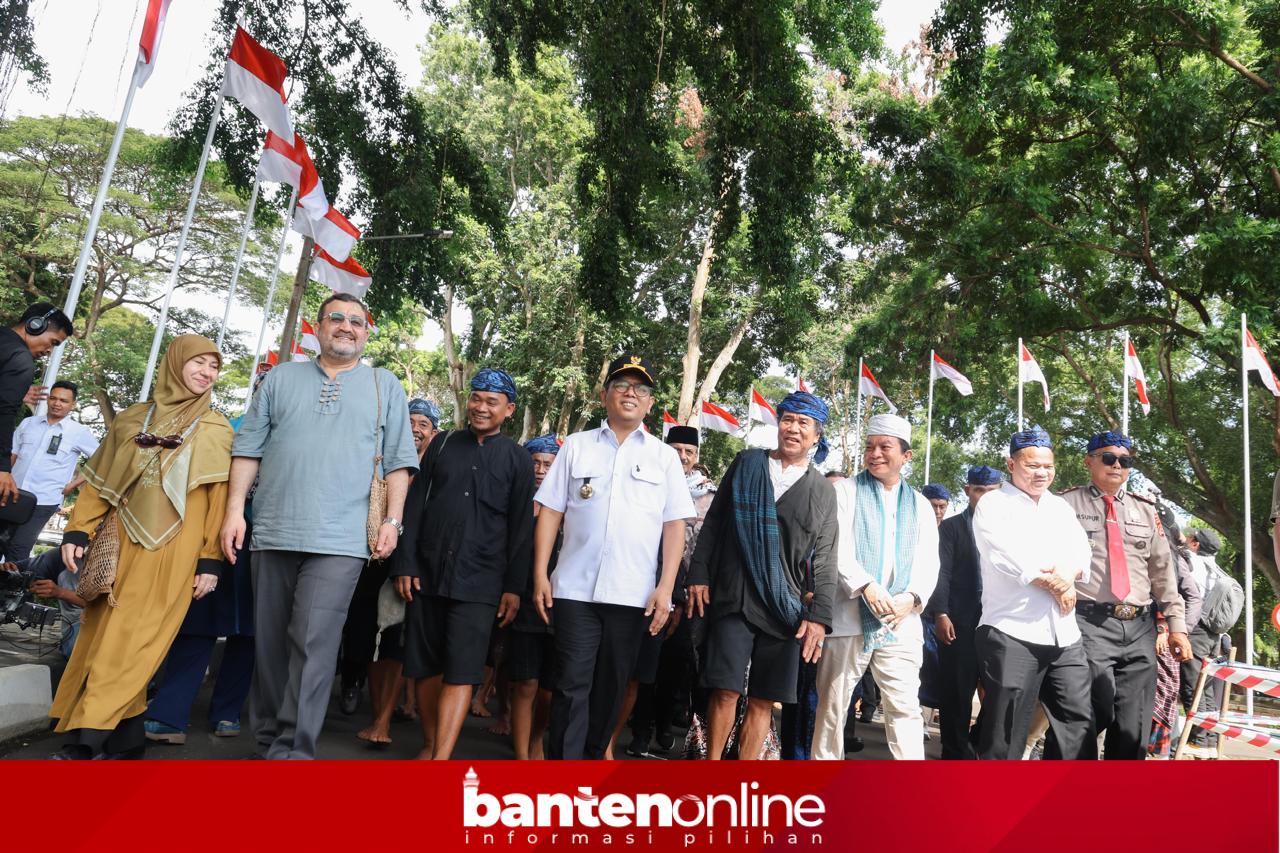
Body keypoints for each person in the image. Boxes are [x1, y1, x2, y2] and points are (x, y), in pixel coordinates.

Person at [224, 292, 417, 760]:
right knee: (269, 642)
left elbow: (399, 462)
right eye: (337, 318)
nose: (346, 326)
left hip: (342, 538)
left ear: (366, 332)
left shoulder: (384, 384)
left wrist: (393, 520)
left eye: (356, 321)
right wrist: (233, 512)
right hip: (272, 530)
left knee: (313, 641)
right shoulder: (281, 378)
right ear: (318, 326)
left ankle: (294, 750)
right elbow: (248, 449)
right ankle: (267, 739)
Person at [49, 335, 232, 759]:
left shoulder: (216, 429)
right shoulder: (133, 418)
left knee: (138, 640)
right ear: (175, 363)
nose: (207, 373)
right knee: (102, 635)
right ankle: (127, 739)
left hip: (176, 552)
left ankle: (88, 737)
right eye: (198, 362)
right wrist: (78, 530)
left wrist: (211, 559)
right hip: (120, 544)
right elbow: (100, 481)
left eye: (214, 366)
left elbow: (218, 501)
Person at [532, 355, 693, 760]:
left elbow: (674, 526)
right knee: (570, 684)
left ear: (650, 403)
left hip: (632, 594)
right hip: (574, 589)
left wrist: (666, 588)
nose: (630, 393)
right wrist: (540, 574)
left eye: (640, 388)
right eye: (621, 385)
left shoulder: (664, 457)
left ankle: (591, 761)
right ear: (605, 395)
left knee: (612, 687)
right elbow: (550, 512)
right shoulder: (576, 445)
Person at [392, 368, 534, 760]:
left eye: (492, 402)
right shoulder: (442, 445)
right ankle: (429, 743)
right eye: (476, 398)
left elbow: (521, 529)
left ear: (509, 409)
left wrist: (513, 588)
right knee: (423, 667)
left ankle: (441, 759)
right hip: (427, 574)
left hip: (481, 583)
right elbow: (415, 507)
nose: (481, 407)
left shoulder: (518, 460)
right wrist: (406, 563)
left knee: (463, 670)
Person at [686, 392, 835, 761]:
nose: (793, 428)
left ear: (816, 436)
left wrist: (819, 617)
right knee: (725, 689)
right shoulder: (747, 464)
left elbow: (826, 557)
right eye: (787, 420)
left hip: (785, 608)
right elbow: (713, 524)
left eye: (803, 423)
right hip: (734, 595)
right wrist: (699, 574)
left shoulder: (822, 491)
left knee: (763, 699)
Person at [812, 413, 940, 760]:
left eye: (885, 447)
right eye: (870, 447)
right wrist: (865, 585)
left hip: (900, 620)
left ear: (906, 456)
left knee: (904, 708)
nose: (875, 454)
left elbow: (929, 561)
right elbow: (834, 547)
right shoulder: (845, 491)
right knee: (832, 707)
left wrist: (912, 597)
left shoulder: (920, 504)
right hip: (849, 615)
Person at [1059, 431, 1191, 760]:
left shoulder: (1146, 510)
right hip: (1088, 623)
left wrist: (1177, 626)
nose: (1117, 465)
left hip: (1139, 628)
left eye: (1125, 460)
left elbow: (1162, 572)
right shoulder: (1065, 505)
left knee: (1133, 724)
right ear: (1089, 461)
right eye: (1108, 458)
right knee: (1087, 713)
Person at [144, 394, 266, 746]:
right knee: (200, 619)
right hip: (217, 533)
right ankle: (171, 714)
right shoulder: (226, 426)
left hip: (265, 540)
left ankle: (224, 712)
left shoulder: (295, 432)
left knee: (247, 631)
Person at [971, 426, 1094, 761]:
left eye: (1048, 466)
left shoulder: (1060, 507)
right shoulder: (994, 504)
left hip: (1064, 634)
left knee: (1078, 718)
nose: (1042, 473)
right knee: (1006, 727)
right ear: (1011, 465)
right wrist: (1057, 582)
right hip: (1012, 630)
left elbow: (1081, 553)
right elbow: (1007, 557)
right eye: (1032, 465)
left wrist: (1068, 576)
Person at [927, 464, 1002, 759]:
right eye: (979, 490)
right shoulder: (952, 528)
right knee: (957, 691)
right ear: (968, 491)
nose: (985, 497)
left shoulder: (1012, 528)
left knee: (1002, 690)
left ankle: (976, 741)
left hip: (1000, 621)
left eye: (991, 491)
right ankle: (955, 752)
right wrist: (940, 613)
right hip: (959, 620)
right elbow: (941, 573)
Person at [506, 432, 560, 759]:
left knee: (549, 692)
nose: (540, 470)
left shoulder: (572, 506)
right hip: (523, 599)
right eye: (535, 463)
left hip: (560, 606)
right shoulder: (515, 501)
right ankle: (522, 758)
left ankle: (537, 738)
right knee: (525, 683)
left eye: (548, 465)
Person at [7, 381, 99, 562]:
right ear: (48, 399)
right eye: (53, 398)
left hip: (44, 500)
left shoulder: (78, 432)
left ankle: (12, 580)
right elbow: (13, 454)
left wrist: (74, 484)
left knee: (19, 548)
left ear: (73, 404)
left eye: (64, 401)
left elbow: (101, 459)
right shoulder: (28, 423)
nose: (57, 403)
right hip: (12, 493)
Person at [0, 303, 73, 515]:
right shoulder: (21, 359)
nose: (49, 351)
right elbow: (4, 413)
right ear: (35, 325)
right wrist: (3, 468)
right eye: (53, 342)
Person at [4, 547, 85, 658]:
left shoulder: (108, 563)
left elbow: (104, 606)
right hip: (78, 626)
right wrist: (9, 568)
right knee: (78, 651)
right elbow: (22, 567)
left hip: (104, 624)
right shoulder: (63, 554)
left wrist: (61, 593)